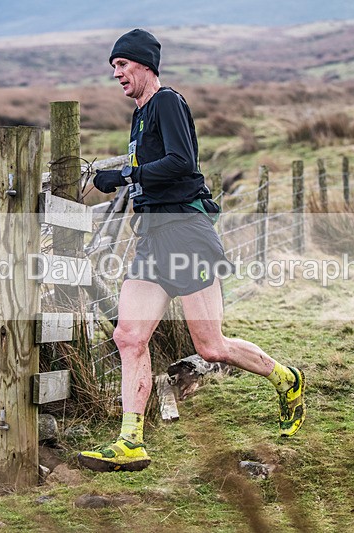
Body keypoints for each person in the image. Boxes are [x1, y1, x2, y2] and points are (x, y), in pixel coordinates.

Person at [77, 29, 305, 473]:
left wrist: (125, 175)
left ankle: (287, 379)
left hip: (186, 232)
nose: (117, 74)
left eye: (121, 65)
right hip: (153, 239)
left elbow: (182, 163)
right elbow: (150, 169)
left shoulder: (167, 102)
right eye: (113, 69)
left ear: (143, 63)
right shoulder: (139, 116)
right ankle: (130, 442)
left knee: (211, 346)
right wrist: (126, 175)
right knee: (129, 337)